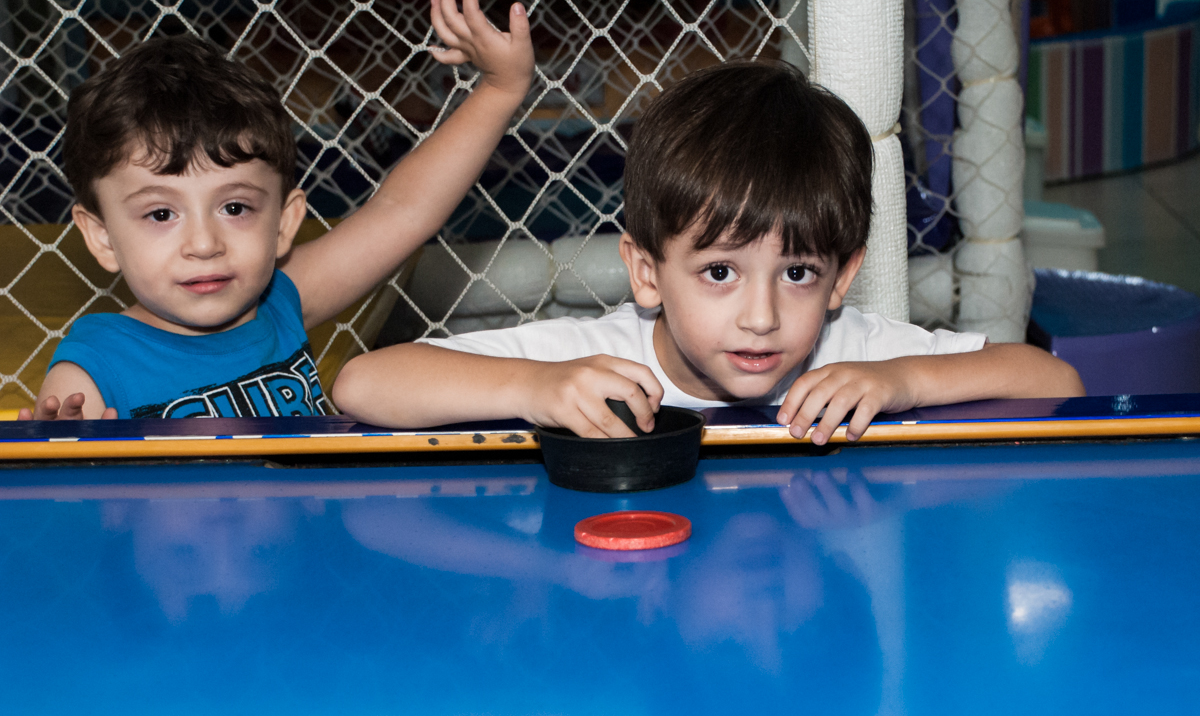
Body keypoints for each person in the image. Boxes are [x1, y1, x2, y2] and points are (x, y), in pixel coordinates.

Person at [332, 60, 1083, 443]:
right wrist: (536, 389)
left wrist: (902, 381)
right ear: (646, 272)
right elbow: (364, 383)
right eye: (720, 272)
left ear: (842, 278)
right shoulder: (597, 362)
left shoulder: (852, 355)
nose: (761, 316)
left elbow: (1055, 382)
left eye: (798, 273)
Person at [22, 0, 532, 420]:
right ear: (102, 237)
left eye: (235, 208)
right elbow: (64, 495)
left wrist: (498, 89)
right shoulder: (94, 369)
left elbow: (403, 211)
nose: (204, 244)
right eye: (161, 214)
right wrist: (68, 464)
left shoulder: (279, 301)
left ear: (285, 222)